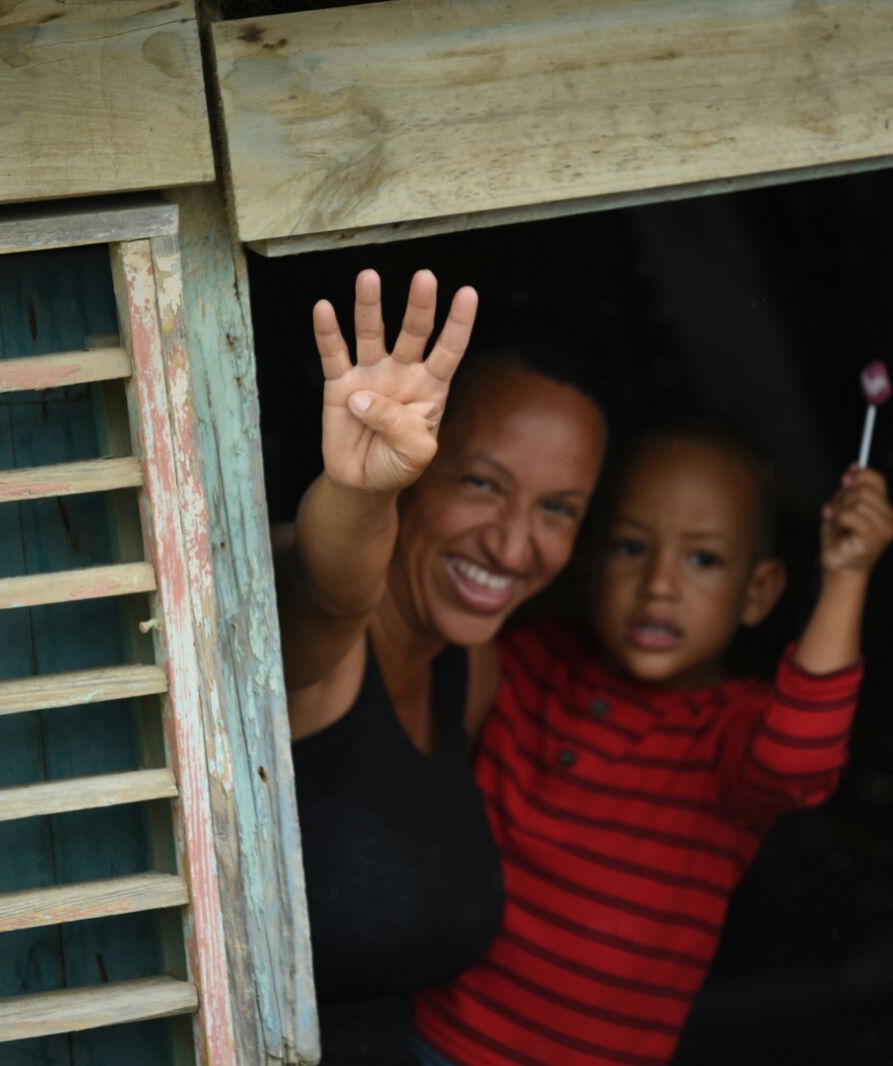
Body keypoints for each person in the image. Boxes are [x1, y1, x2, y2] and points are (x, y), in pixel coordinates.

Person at [415, 418, 893, 1065]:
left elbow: (799, 760)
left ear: (757, 594)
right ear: (587, 563)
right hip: (426, 1037)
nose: (660, 585)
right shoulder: (528, 660)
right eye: (631, 547)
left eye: (703, 560)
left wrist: (846, 578)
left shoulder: (728, 733)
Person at [281, 269, 608, 1064]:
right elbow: (327, 594)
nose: (513, 546)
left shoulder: (472, 669)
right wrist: (359, 495)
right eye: (480, 483)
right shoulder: (315, 647)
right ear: (415, 462)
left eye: (557, 509)